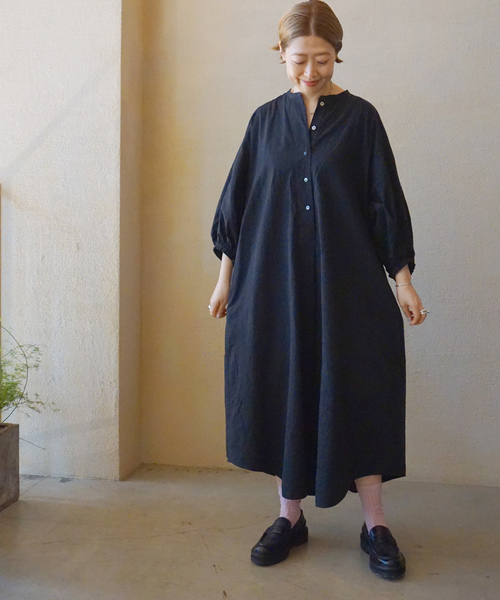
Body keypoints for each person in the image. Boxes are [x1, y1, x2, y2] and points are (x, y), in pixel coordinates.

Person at [208, 0, 428, 581]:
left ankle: (375, 524)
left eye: (323, 60)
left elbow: (384, 202)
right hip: (272, 287)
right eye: (300, 59)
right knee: (285, 388)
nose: (311, 71)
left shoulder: (361, 119)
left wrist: (403, 280)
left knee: (358, 390)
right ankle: (289, 517)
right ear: (281, 53)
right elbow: (237, 205)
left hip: (348, 288)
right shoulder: (264, 122)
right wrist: (225, 279)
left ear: (338, 55)